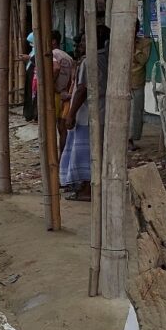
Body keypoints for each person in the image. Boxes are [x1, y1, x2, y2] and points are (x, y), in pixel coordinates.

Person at [61, 25, 109, 201]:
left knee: (85, 154)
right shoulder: (107, 58)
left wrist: (71, 114)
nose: (80, 44)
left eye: (83, 40)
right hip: (104, 112)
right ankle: (87, 187)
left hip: (88, 115)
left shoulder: (91, 61)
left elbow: (82, 89)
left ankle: (88, 189)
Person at [129, 21, 152, 151]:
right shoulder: (120, 41)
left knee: (136, 112)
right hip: (122, 82)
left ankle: (131, 139)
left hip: (137, 81)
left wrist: (134, 48)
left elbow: (143, 60)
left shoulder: (145, 43)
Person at [50, 30, 74, 154]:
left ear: (53, 41)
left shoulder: (53, 54)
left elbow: (56, 68)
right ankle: (63, 156)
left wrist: (51, 85)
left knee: (51, 127)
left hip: (55, 94)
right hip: (65, 95)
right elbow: (72, 77)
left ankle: (54, 157)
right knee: (63, 128)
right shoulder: (68, 57)